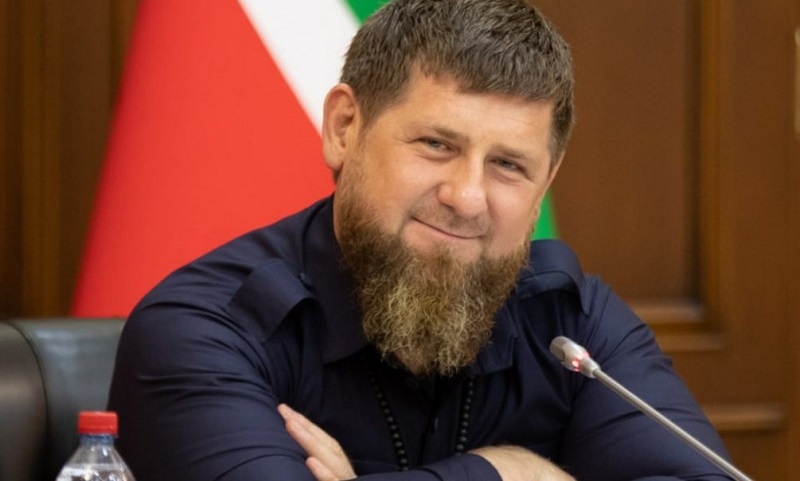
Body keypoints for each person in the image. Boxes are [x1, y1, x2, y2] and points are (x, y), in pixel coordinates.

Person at [108, 0, 735, 479]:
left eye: (508, 165)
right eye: (436, 145)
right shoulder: (201, 329)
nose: (467, 197)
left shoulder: (576, 329)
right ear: (344, 128)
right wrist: (509, 472)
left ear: (546, 181)